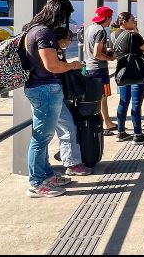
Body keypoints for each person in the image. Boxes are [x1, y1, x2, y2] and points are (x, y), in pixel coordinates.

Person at [21, 0, 84, 198]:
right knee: (41, 138)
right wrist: (73, 65)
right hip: (45, 89)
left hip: (41, 88)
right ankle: (37, 182)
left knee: (46, 135)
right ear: (60, 15)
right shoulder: (43, 33)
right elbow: (52, 66)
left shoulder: (32, 29)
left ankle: (46, 174)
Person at [52, 27, 93, 177]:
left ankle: (66, 157)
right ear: (61, 38)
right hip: (52, 94)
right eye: (69, 39)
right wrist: (74, 65)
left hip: (57, 93)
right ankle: (72, 164)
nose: (70, 42)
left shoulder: (55, 49)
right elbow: (56, 68)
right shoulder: (53, 50)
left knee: (64, 128)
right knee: (67, 128)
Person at [111, 12, 144, 145]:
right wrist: (137, 34)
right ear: (123, 21)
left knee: (123, 101)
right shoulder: (134, 35)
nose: (134, 22)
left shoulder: (113, 35)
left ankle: (120, 132)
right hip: (136, 72)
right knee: (136, 103)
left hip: (122, 71)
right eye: (132, 20)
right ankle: (138, 135)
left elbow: (114, 52)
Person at [83, 6, 117, 136]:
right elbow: (97, 53)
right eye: (110, 18)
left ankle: (105, 122)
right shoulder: (101, 31)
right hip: (99, 69)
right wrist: (110, 57)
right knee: (103, 96)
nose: (110, 21)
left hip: (90, 68)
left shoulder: (89, 28)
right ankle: (106, 123)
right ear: (107, 18)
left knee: (97, 97)